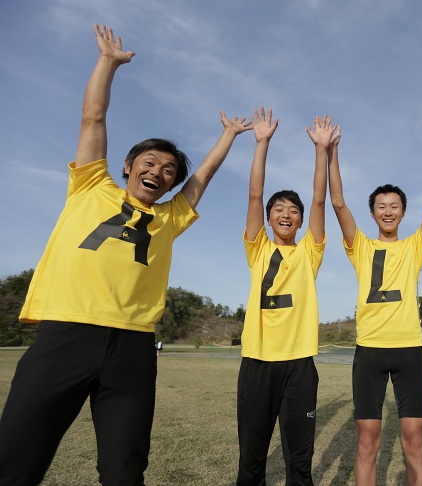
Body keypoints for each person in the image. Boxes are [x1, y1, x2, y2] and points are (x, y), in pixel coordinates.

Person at [0, 24, 252, 485]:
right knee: (16, 457)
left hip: (133, 347)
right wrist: (108, 63)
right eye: (149, 162)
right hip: (65, 335)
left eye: (168, 170)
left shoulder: (170, 218)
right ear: (128, 167)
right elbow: (92, 118)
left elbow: (206, 176)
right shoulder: (90, 187)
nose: (158, 171)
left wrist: (230, 135)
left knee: (124, 466)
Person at [328, 119, 422, 486]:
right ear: (372, 212)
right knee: (367, 443)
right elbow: (337, 201)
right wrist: (332, 151)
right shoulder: (360, 246)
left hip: (408, 351)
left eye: (394, 206)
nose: (388, 212)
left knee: (414, 443)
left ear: (403, 212)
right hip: (369, 351)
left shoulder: (414, 247)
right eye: (381, 207)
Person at [237, 108, 335, 486]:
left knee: (300, 460)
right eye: (279, 209)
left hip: (299, 364)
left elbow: (320, 200)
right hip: (257, 362)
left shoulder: (310, 251)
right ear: (267, 218)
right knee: (251, 458)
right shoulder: (257, 247)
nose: (287, 213)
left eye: (293, 211)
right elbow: (254, 193)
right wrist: (261, 143)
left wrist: (321, 151)